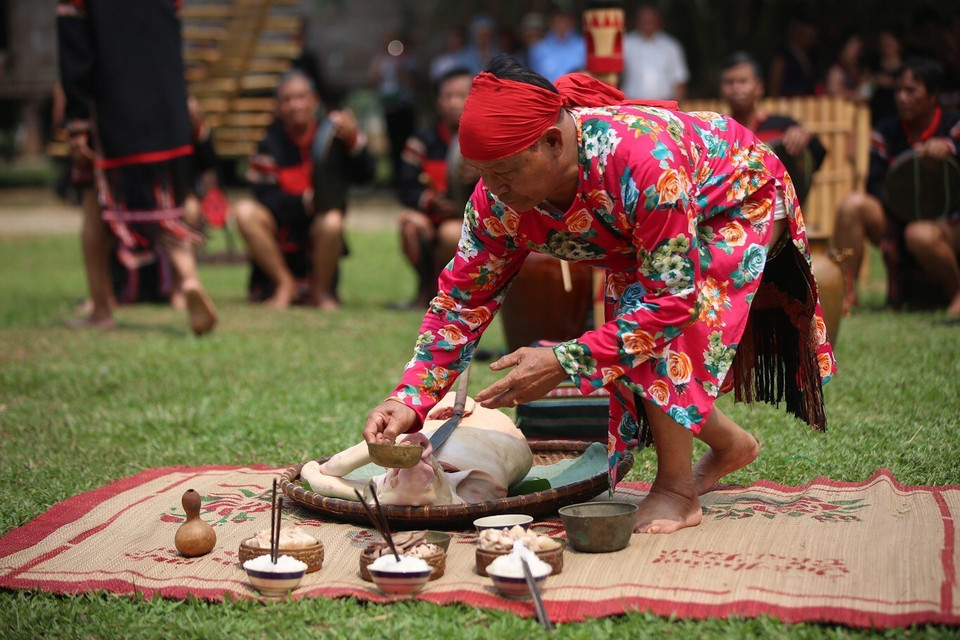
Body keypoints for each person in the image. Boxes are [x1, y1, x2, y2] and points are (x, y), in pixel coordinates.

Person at [363, 57, 836, 535]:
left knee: (645, 324)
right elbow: (460, 304)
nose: (493, 189)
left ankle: (677, 490)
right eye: (481, 174)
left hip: (734, 195)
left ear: (552, 142)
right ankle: (731, 445)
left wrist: (566, 361)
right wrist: (409, 399)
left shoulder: (641, 161)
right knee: (624, 336)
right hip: (649, 229)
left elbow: (671, 302)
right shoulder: (495, 203)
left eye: (504, 172)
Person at [57, 0, 217, 335]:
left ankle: (101, 309)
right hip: (165, 110)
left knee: (95, 205)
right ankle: (187, 280)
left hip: (112, 109)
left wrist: (77, 118)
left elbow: (75, 51)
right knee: (165, 208)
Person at [234, 71, 374, 310]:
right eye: (287, 100)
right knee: (244, 211)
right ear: (278, 107)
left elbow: (366, 176)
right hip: (282, 230)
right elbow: (264, 195)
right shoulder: (269, 142)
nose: (294, 105)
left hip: (320, 231)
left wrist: (353, 141)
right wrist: (305, 202)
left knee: (332, 220)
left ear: (314, 101)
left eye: (300, 97)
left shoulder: (334, 137)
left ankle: (320, 293)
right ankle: (283, 283)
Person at [832, 56, 960, 316]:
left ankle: (957, 291)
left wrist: (950, 149)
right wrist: (902, 203)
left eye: (911, 91)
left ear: (934, 95)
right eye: (899, 90)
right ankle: (846, 296)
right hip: (899, 221)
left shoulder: (954, 126)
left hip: (949, 224)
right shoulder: (886, 130)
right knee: (852, 205)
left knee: (920, 234)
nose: (902, 97)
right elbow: (875, 185)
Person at [395, 68, 478, 308]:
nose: (454, 103)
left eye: (461, 95)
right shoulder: (422, 142)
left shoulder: (489, 141)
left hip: (472, 221)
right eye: (447, 96)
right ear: (437, 101)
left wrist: (482, 174)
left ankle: (454, 296)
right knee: (410, 225)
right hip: (433, 217)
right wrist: (430, 202)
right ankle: (425, 289)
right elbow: (405, 187)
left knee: (452, 232)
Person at [719, 51, 827, 198]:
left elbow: (817, 155)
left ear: (759, 87)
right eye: (729, 83)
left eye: (743, 81)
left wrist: (804, 137)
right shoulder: (719, 132)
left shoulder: (783, 126)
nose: (736, 88)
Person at [620, 3, 689, 101]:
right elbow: (613, 75)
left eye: (651, 18)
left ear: (658, 20)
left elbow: (679, 80)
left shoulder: (671, 46)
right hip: (631, 105)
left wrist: (678, 109)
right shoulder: (625, 43)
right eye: (644, 18)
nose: (647, 22)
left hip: (663, 106)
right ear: (637, 20)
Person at [527, 3, 586, 82]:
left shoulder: (584, 46)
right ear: (550, 22)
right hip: (547, 93)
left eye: (564, 18)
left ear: (572, 21)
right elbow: (534, 79)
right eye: (557, 18)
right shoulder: (538, 48)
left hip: (577, 93)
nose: (561, 23)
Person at [768, 19, 820, 97]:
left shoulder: (810, 56)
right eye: (808, 36)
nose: (811, 40)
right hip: (786, 101)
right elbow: (775, 81)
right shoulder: (783, 54)